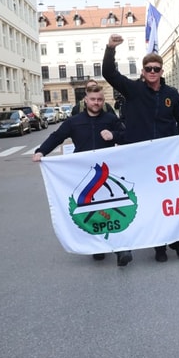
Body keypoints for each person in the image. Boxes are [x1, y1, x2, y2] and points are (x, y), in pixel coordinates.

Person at [102, 33, 179, 262]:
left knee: (171, 201)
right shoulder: (133, 90)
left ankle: (178, 241)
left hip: (166, 158)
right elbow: (109, 73)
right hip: (142, 158)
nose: (152, 72)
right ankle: (159, 246)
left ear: (162, 71)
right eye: (149, 69)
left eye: (156, 69)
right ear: (143, 72)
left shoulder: (171, 94)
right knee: (151, 203)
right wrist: (110, 49)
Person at [33, 85, 129, 265]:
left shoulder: (110, 118)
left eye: (100, 100)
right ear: (86, 100)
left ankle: (121, 249)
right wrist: (41, 151)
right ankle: (98, 246)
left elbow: (126, 136)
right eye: (93, 99)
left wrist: (114, 135)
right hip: (85, 173)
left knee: (113, 206)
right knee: (93, 210)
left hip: (107, 171)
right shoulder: (74, 121)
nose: (96, 103)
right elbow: (57, 136)